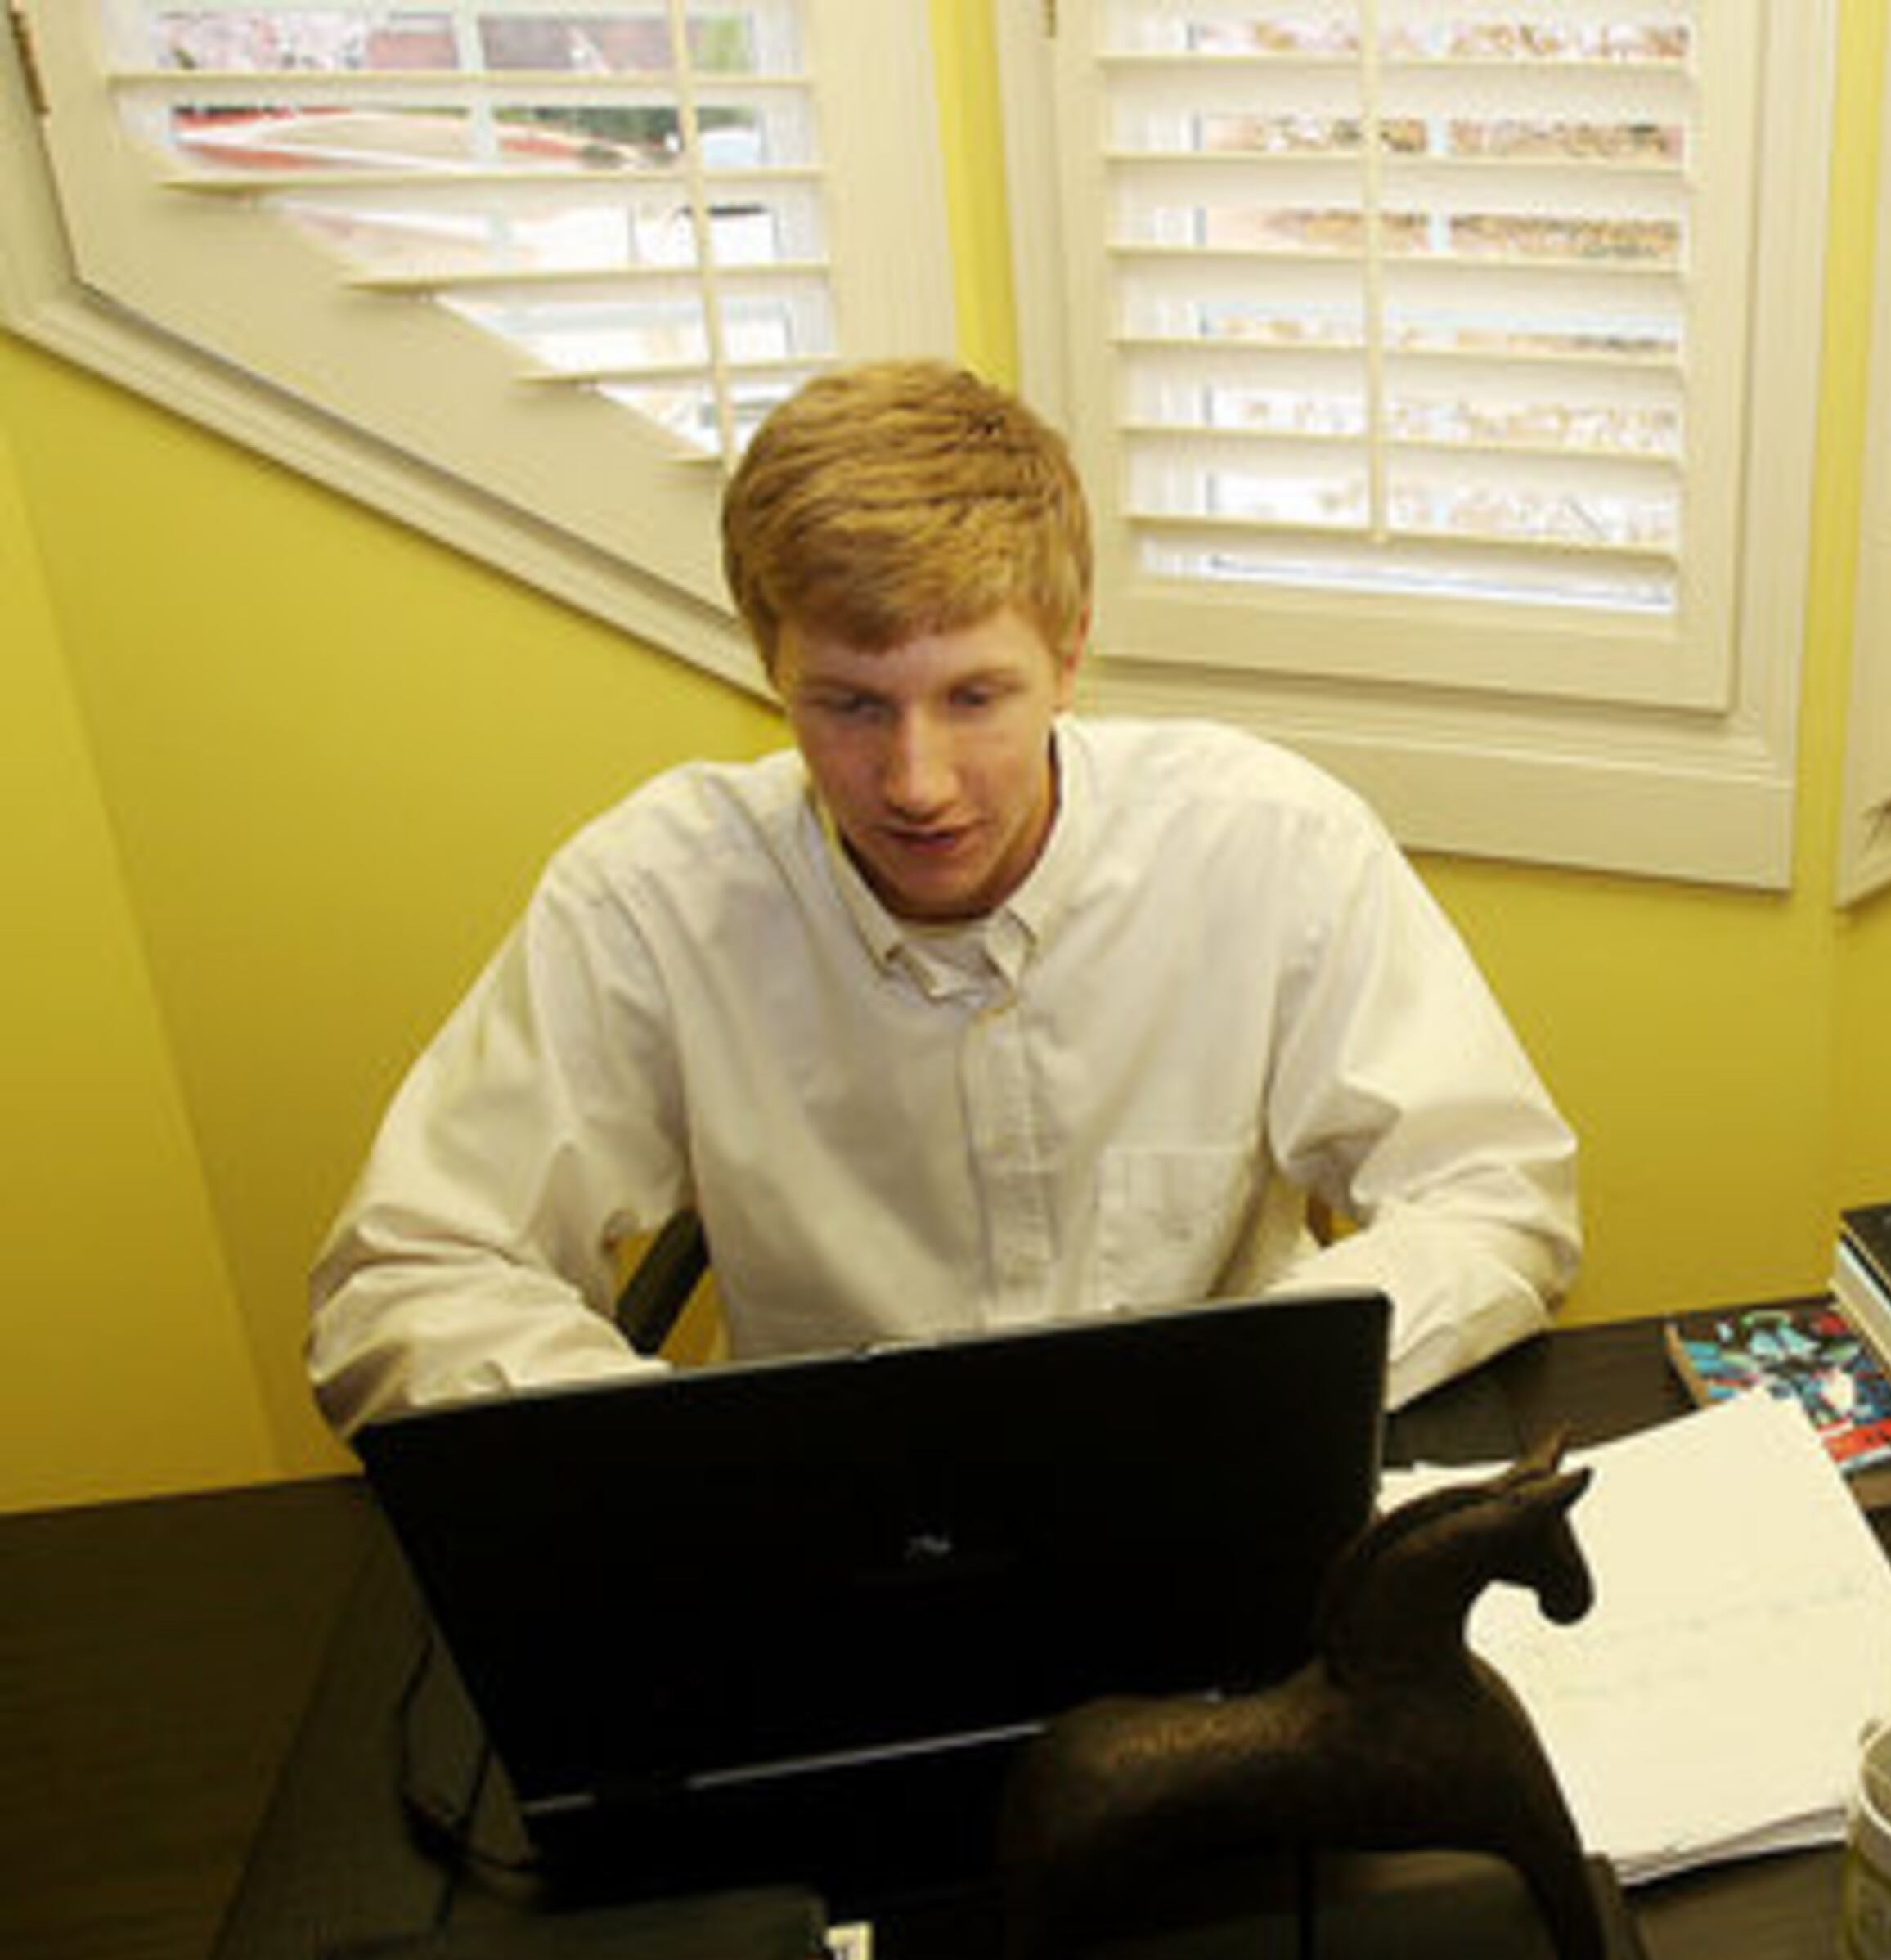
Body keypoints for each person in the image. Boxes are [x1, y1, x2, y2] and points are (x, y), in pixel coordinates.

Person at [308, 361, 1580, 1428]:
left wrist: (1244, 1389)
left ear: (1069, 658)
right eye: (850, 704)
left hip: (1206, 1477)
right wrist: (685, 1460)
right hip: (829, 1534)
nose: (917, 782)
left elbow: (1494, 1193)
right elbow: (405, 1277)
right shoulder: (652, 895)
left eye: (976, 697)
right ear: (770, 667)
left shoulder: (1269, 843)